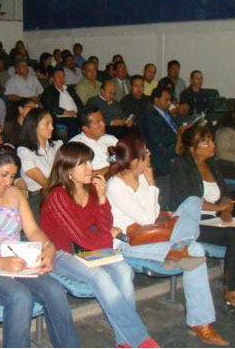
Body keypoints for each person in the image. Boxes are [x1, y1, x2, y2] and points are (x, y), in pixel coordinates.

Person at [102, 136, 230, 345]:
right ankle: (201, 323)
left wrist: (149, 186)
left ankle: (180, 247)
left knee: (193, 201)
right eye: (146, 152)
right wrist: (152, 184)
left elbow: (152, 214)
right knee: (196, 250)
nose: (150, 154)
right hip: (131, 242)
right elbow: (146, 218)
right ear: (136, 161)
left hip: (156, 234)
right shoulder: (115, 185)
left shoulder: (141, 177)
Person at [0, 144, 79, 348]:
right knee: (19, 296)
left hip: (15, 262)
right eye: (3, 175)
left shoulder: (15, 194)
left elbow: (33, 232)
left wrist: (48, 247)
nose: (7, 182)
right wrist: (1, 262)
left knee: (54, 289)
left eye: (11, 176)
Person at [39, 142, 161, 348]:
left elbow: (105, 225)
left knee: (123, 270)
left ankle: (124, 342)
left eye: (89, 162)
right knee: (100, 277)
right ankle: (139, 339)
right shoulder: (57, 195)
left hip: (89, 249)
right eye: (82, 164)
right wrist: (106, 236)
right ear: (68, 168)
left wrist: (103, 199)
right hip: (61, 252)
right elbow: (80, 238)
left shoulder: (92, 190)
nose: (90, 168)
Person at [170, 126, 235, 311]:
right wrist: (218, 208)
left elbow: (224, 194)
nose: (212, 145)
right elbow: (188, 201)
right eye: (206, 142)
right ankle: (231, 290)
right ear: (192, 148)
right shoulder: (181, 166)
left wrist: (226, 210)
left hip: (214, 219)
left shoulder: (212, 165)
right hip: (193, 222)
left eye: (212, 140)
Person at [16, 108, 62, 193]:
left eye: (52, 123)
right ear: (34, 126)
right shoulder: (24, 151)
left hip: (60, 189)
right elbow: (44, 182)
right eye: (46, 124)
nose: (52, 128)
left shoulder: (57, 145)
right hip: (38, 195)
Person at [140, 87, 179, 176]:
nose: (169, 102)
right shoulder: (149, 116)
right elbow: (156, 141)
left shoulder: (166, 113)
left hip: (173, 148)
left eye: (170, 100)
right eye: (166, 100)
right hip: (160, 155)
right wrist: (177, 143)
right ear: (156, 100)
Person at [69, 106, 118, 176]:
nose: (103, 124)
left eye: (103, 120)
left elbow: (121, 157)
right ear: (85, 128)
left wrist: (110, 162)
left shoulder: (110, 139)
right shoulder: (75, 145)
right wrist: (106, 170)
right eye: (98, 122)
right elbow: (77, 175)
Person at [41, 67, 82, 136]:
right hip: (62, 118)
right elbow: (48, 106)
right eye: (58, 76)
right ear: (52, 79)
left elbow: (79, 103)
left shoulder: (70, 90)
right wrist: (65, 112)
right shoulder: (48, 91)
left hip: (76, 116)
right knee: (73, 128)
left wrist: (81, 114)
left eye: (63, 76)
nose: (61, 78)